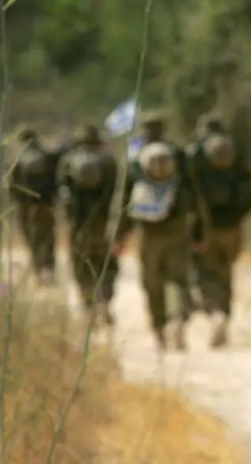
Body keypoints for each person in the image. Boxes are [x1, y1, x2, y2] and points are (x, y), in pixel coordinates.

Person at [124, 112, 209, 351]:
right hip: (177, 225)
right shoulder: (179, 154)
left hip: (146, 229)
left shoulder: (134, 157)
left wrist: (121, 233)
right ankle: (177, 319)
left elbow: (123, 198)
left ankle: (159, 329)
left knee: (152, 282)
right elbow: (194, 193)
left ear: (144, 129)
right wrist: (200, 229)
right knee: (177, 278)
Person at [185, 112, 251, 348]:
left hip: (205, 228)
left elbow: (187, 192)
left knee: (204, 274)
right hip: (232, 227)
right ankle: (224, 315)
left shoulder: (195, 154)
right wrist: (238, 216)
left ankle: (214, 313)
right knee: (225, 272)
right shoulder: (236, 153)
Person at [57, 124, 123, 325]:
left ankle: (88, 306)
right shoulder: (109, 161)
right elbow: (117, 194)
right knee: (107, 265)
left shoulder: (67, 161)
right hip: (104, 225)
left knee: (81, 265)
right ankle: (104, 302)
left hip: (78, 226)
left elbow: (62, 194)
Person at [9, 126, 59, 285]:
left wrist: (17, 201)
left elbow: (11, 183)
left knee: (31, 237)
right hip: (45, 204)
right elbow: (55, 179)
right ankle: (49, 269)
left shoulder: (16, 158)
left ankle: (38, 270)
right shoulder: (47, 156)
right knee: (48, 237)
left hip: (25, 206)